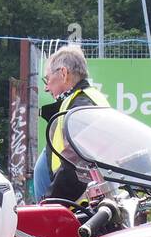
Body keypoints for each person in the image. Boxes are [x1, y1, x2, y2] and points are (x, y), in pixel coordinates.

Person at [36, 43, 110, 203]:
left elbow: (76, 163)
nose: (46, 88)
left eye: (47, 79)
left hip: (76, 207)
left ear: (63, 73)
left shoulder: (81, 106)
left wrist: (50, 203)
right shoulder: (85, 100)